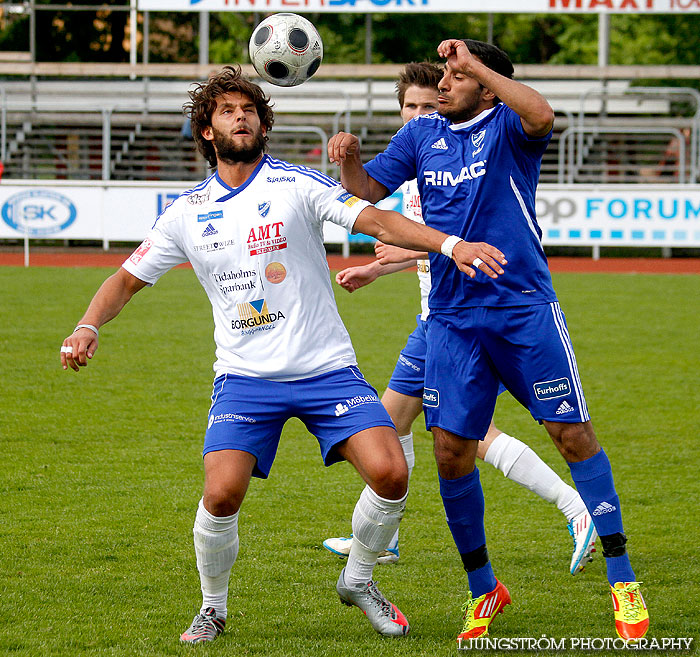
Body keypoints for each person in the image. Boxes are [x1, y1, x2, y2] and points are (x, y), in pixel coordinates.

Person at [59, 65, 507, 646]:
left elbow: (376, 216)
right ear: (206, 130)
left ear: (264, 124)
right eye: (227, 111)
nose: (239, 118)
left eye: (249, 110)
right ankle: (213, 608)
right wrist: (88, 323)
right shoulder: (186, 213)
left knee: (392, 474)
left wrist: (450, 244)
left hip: (327, 372)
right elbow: (125, 279)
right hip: (246, 379)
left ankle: (360, 580)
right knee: (220, 494)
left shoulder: (298, 185)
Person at [327, 42, 648, 644]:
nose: (445, 85)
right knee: (451, 451)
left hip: (523, 310)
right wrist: (348, 163)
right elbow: (368, 192)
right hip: (450, 318)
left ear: (488, 84)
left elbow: (544, 114)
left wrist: (477, 68)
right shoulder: (422, 135)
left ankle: (623, 578)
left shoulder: (509, 124)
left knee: (572, 434)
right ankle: (484, 590)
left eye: (457, 76)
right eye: (445, 74)